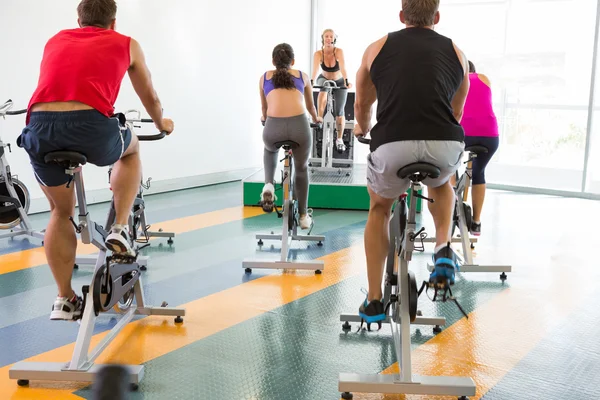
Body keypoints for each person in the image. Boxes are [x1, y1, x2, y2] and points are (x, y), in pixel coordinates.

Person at [17, 0, 173, 321]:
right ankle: (118, 228)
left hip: (39, 129)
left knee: (61, 212)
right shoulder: (126, 43)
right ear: (113, 22)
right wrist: (161, 123)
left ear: (78, 20)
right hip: (91, 126)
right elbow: (151, 96)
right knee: (131, 150)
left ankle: (64, 299)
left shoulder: (56, 39)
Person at [353, 0, 469, 323]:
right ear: (437, 17)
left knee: (379, 208)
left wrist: (362, 127)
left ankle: (374, 300)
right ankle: (443, 245)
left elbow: (362, 102)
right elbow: (457, 111)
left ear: (401, 16)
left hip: (392, 144)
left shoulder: (376, 49)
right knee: (444, 184)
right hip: (443, 143)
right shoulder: (457, 53)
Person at [259, 43, 322, 229]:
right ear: (293, 61)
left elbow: (264, 110)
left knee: (270, 149)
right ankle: (303, 216)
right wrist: (316, 117)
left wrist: (264, 118)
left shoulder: (264, 78)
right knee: (301, 169)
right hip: (299, 128)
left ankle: (269, 185)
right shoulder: (302, 76)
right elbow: (311, 108)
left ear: (273, 61)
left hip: (273, 128)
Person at [459, 60, 499, 235]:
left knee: (447, 164)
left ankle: (451, 202)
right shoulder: (484, 79)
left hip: (463, 135)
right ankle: (476, 223)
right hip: (490, 136)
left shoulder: (456, 80)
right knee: (479, 173)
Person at [311, 29, 351, 152]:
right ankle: (319, 118)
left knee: (339, 111)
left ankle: (339, 139)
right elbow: (315, 68)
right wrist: (312, 80)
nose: (328, 38)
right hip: (324, 78)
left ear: (334, 39)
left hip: (339, 80)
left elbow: (343, 67)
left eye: (331, 36)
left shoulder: (338, 52)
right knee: (325, 86)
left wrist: (346, 80)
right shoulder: (319, 53)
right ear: (323, 38)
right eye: (326, 36)